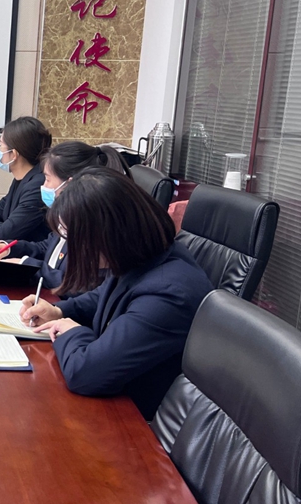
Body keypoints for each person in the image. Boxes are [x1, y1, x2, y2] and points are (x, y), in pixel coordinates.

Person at [19, 168, 213, 420]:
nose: (74, 249)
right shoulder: (145, 256)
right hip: (114, 400)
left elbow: (85, 374)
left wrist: (72, 332)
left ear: (109, 233)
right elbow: (105, 295)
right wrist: (59, 311)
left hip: (132, 422)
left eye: (76, 238)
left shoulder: (168, 295)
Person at [0, 141, 129, 294]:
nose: (43, 185)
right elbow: (47, 246)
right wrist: (10, 248)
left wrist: (29, 265)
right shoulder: (65, 215)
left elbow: (84, 287)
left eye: (47, 179)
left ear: (69, 183)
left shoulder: (94, 226)